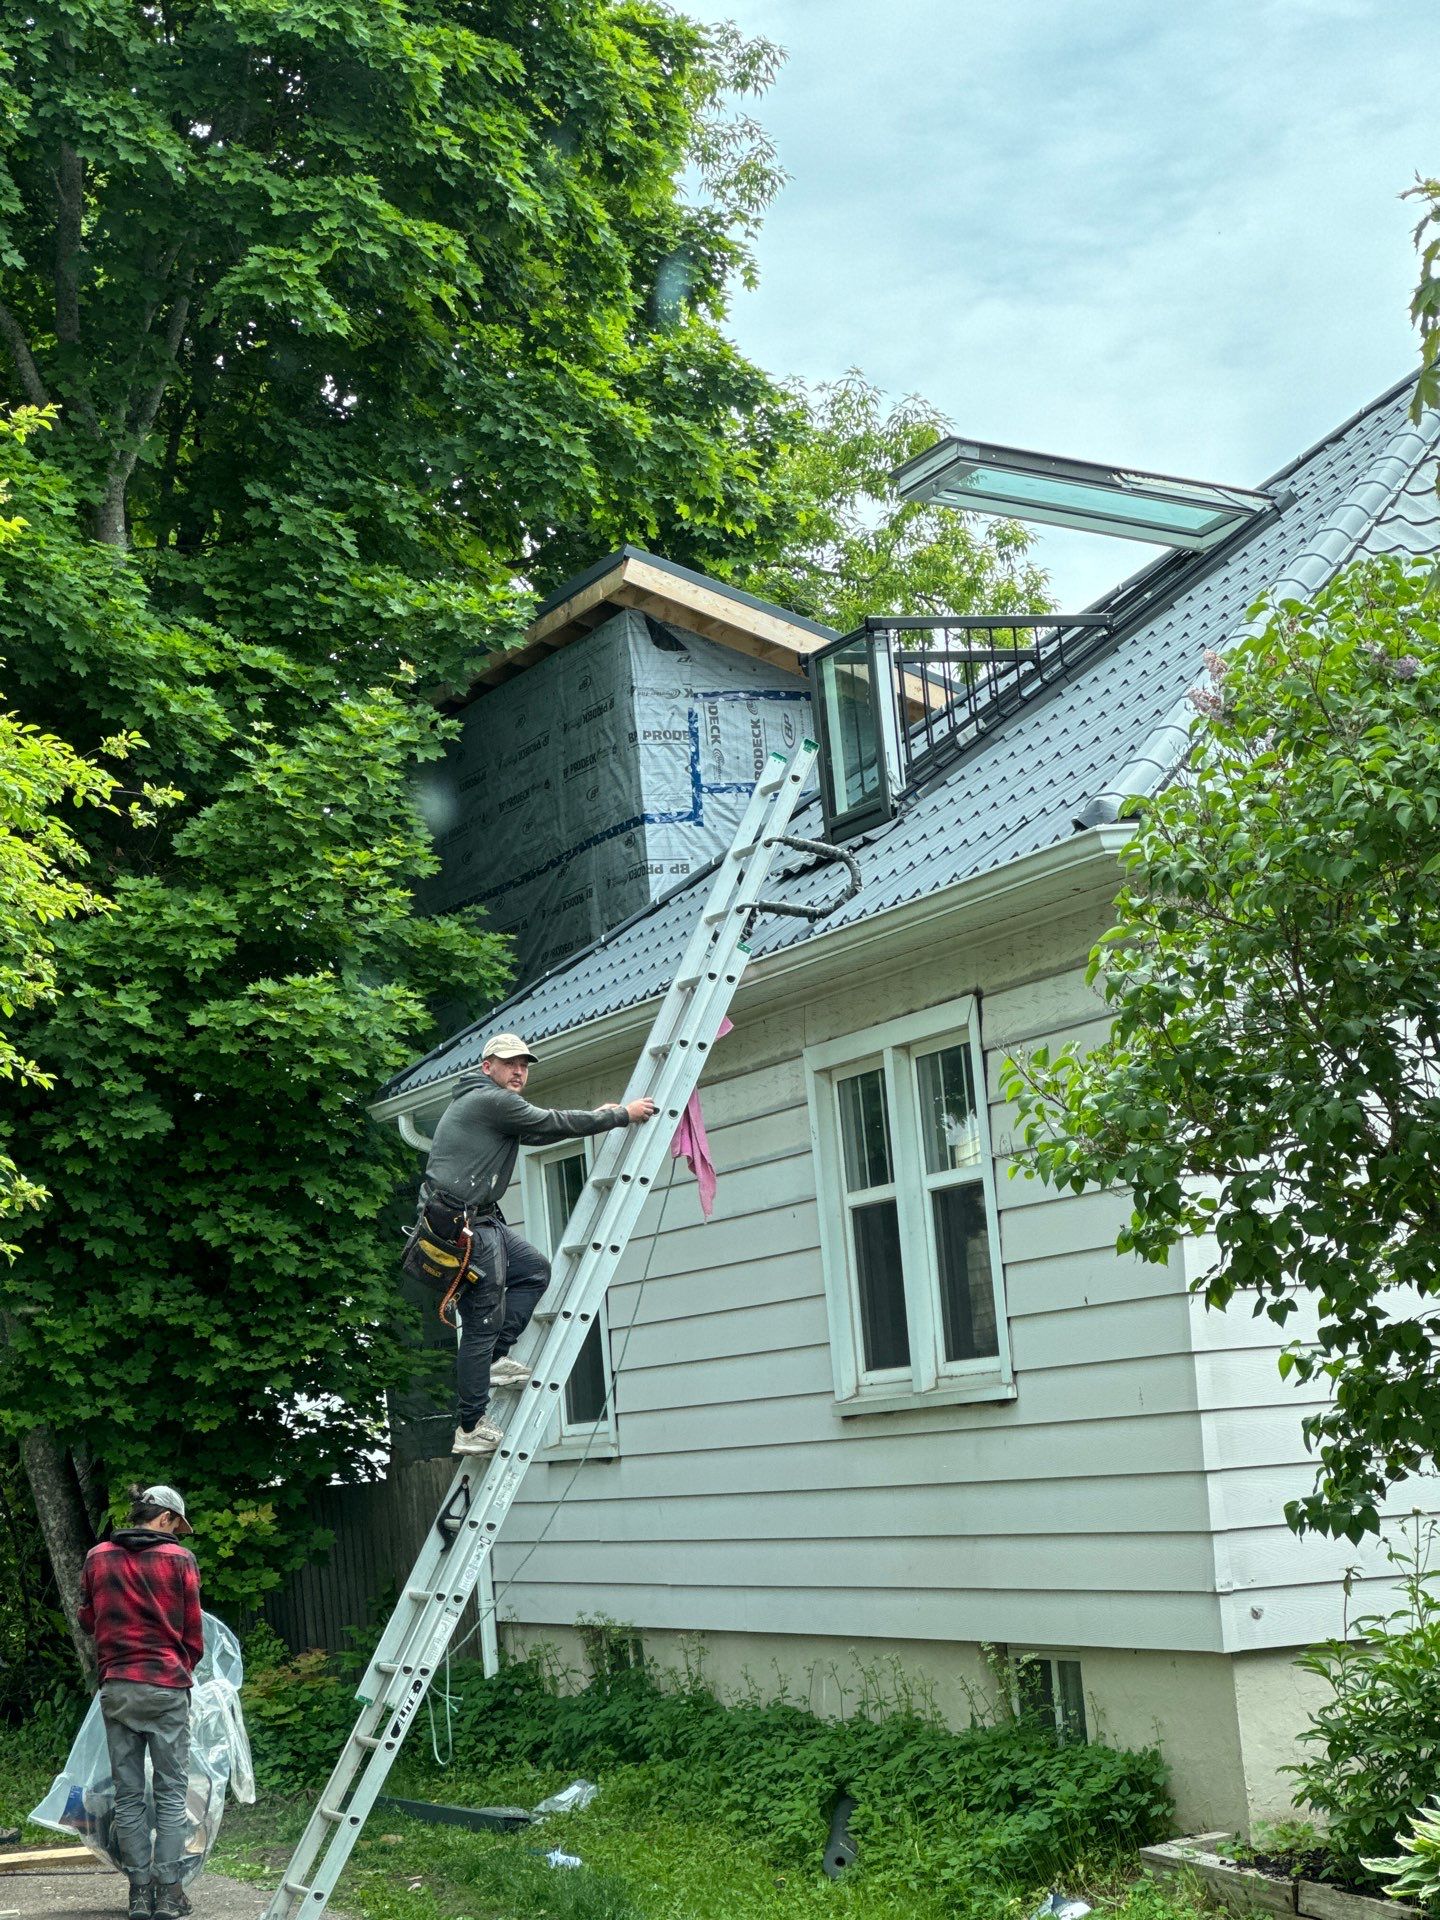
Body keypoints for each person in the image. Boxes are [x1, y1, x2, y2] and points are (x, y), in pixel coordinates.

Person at [420, 1031, 656, 1456]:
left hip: (480, 1221)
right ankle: (470, 1426)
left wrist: (597, 1115)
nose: (519, 1071)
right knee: (480, 1323)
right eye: (510, 1063)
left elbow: (539, 1132)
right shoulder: (490, 1100)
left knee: (534, 1271)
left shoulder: (488, 1106)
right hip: (463, 1226)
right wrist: (621, 1115)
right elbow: (550, 1122)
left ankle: (495, 1359)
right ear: (486, 1066)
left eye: (524, 1065)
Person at [78, 1482, 203, 1920]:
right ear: (164, 1517)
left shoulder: (98, 1557)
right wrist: (181, 1668)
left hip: (118, 1686)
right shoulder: (179, 1559)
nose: (177, 1535)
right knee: (170, 1793)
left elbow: (88, 1619)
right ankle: (169, 1894)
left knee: (129, 1795)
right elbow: (192, 1631)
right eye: (176, 1525)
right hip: (167, 1685)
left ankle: (138, 1895)